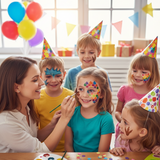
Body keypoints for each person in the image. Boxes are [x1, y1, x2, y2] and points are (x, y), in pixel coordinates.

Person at [0, 56, 76, 153]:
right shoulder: (6, 124)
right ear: (16, 87)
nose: (41, 83)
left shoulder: (26, 107)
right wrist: (64, 119)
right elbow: (41, 150)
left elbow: (33, 138)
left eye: (40, 77)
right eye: (35, 80)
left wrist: (52, 125)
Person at [115, 44, 160, 139]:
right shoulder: (124, 90)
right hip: (126, 135)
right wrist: (125, 123)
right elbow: (117, 111)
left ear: (152, 74)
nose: (138, 75)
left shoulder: (156, 94)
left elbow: (157, 118)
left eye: (143, 72)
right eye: (134, 71)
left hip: (146, 137)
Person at [65, 67, 115, 152]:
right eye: (81, 89)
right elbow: (68, 145)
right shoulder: (71, 113)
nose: (84, 95)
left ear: (102, 94)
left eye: (91, 90)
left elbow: (102, 153)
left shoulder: (106, 119)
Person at [34, 56, 74, 152]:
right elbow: (36, 135)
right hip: (45, 150)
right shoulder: (36, 99)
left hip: (70, 149)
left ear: (64, 75)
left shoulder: (72, 97)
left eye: (57, 76)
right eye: (48, 76)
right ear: (41, 76)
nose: (53, 80)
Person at [64, 23, 112, 91]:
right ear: (78, 53)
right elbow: (66, 94)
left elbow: (107, 97)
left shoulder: (103, 74)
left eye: (91, 52)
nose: (86, 56)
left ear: (98, 53)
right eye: (82, 52)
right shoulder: (71, 73)